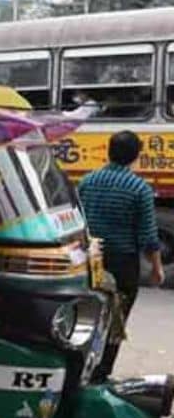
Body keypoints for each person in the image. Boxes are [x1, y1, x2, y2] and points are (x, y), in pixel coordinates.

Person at [77, 131, 164, 381]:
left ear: (108, 151)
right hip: (122, 263)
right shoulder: (140, 189)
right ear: (136, 156)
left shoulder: (87, 181)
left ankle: (81, 366)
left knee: (87, 314)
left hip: (91, 259)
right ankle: (102, 372)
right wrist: (156, 268)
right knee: (116, 319)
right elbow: (148, 235)